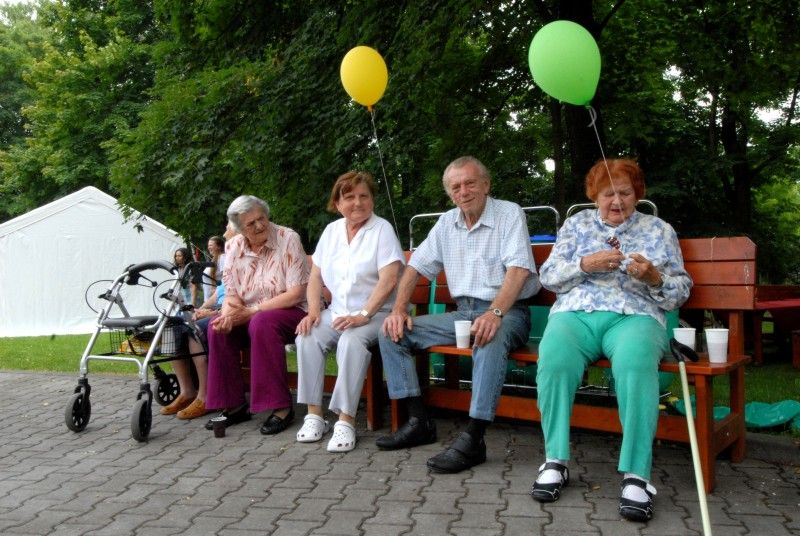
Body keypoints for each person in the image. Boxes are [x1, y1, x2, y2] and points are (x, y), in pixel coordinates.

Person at [530, 158, 692, 522]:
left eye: (625, 192)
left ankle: (637, 475)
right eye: (608, 194)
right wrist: (585, 265)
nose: (616, 201)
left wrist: (653, 278)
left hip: (635, 317)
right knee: (553, 359)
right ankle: (554, 460)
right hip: (576, 315)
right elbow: (549, 277)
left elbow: (680, 292)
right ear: (594, 196)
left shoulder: (659, 230)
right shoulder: (576, 225)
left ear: (638, 194)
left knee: (635, 366)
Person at [376, 156, 540, 473]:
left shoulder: (509, 214)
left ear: (486, 185)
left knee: (487, 335)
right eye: (456, 186)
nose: (463, 191)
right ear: (450, 193)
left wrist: (494, 313)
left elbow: (519, 271)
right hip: (463, 313)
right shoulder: (446, 223)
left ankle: (474, 437)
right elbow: (413, 268)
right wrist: (398, 309)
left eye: (470, 183)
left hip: (507, 312)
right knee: (391, 332)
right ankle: (419, 421)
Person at [295, 171, 404, 452]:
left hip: (376, 314)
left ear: (372, 200)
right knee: (307, 336)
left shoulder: (382, 230)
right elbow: (315, 276)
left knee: (350, 341)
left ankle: (345, 419)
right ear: (338, 202)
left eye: (363, 196)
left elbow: (389, 279)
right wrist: (314, 311)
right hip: (339, 312)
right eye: (349, 197)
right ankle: (314, 415)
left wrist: (364, 314)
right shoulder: (331, 232)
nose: (357, 203)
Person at [204, 195, 309, 435]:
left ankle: (280, 406)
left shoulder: (288, 238)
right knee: (217, 327)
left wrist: (252, 311)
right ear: (239, 229)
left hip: (292, 311)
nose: (260, 226)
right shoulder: (232, 247)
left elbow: (296, 293)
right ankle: (234, 405)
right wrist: (229, 316)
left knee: (261, 322)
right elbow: (231, 294)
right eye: (250, 224)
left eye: (261, 218)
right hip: (253, 314)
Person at [160, 227, 235, 420]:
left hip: (230, 312)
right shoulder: (227, 275)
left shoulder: (242, 269)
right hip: (216, 308)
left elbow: (239, 299)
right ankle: (187, 391)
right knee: (172, 327)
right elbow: (218, 293)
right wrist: (201, 308)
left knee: (192, 330)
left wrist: (213, 311)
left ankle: (205, 396)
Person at [201, 235, 226, 304]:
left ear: (219, 247)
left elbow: (226, 276)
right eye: (208, 245)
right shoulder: (214, 260)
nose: (209, 247)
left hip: (217, 300)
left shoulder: (222, 257)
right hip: (209, 300)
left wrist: (218, 290)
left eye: (211, 245)